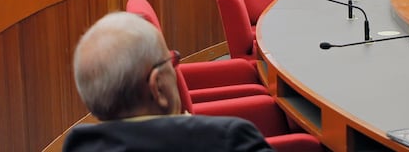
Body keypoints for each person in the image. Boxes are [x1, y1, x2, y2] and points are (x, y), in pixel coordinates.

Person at [63, 12, 274, 152]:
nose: (175, 69)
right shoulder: (229, 140)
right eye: (172, 61)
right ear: (157, 87)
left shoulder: (77, 145)